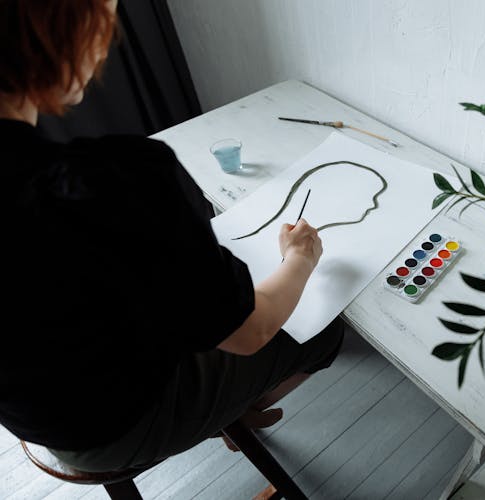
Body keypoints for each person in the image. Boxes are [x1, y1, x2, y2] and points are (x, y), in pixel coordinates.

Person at [0, 0, 343, 473]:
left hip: (31, 408)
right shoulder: (107, 181)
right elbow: (251, 332)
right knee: (324, 327)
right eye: (105, 17)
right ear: (59, 32)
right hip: (110, 427)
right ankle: (232, 412)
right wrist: (301, 257)